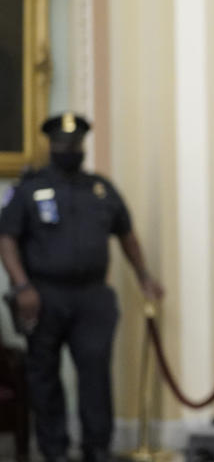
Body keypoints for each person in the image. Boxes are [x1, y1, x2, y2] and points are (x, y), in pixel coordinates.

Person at [0, 112, 164, 462]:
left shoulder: (100, 189)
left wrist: (144, 276)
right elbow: (7, 240)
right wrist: (22, 286)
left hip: (93, 297)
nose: (69, 149)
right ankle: (54, 450)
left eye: (75, 144)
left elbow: (127, 235)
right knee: (44, 376)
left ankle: (97, 448)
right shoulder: (29, 190)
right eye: (62, 144)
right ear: (51, 145)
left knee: (95, 373)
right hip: (43, 296)